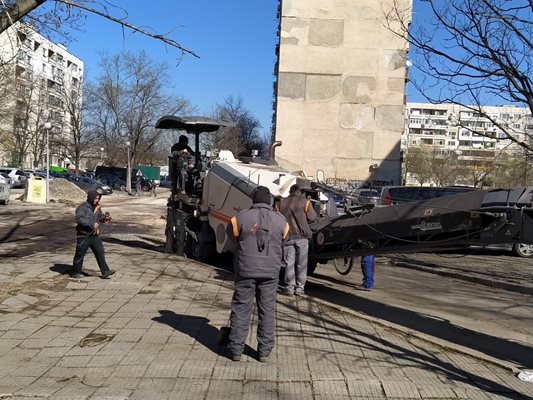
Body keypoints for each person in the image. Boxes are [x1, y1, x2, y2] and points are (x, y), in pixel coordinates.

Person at [226, 186, 289, 362]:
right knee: (267, 310)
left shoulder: (240, 218)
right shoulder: (281, 221)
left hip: (245, 270)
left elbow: (231, 235)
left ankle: (236, 349)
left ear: (253, 200)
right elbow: (285, 238)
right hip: (270, 272)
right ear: (269, 201)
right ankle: (264, 351)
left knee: (241, 308)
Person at [279, 184, 316, 296]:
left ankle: (289, 288)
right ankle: (300, 289)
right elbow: (313, 218)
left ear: (290, 191)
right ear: (299, 192)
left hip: (288, 237)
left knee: (289, 263)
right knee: (302, 263)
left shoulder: (282, 202)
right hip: (302, 238)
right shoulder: (305, 202)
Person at [72, 190, 115, 279]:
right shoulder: (82, 208)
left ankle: (105, 271)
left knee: (100, 252)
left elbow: (99, 217)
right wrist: (92, 224)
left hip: (94, 235)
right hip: (84, 235)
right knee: (80, 254)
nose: (96, 200)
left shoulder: (97, 208)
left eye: (98, 199)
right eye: (95, 198)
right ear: (91, 198)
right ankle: (76, 272)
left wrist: (105, 218)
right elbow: (79, 219)